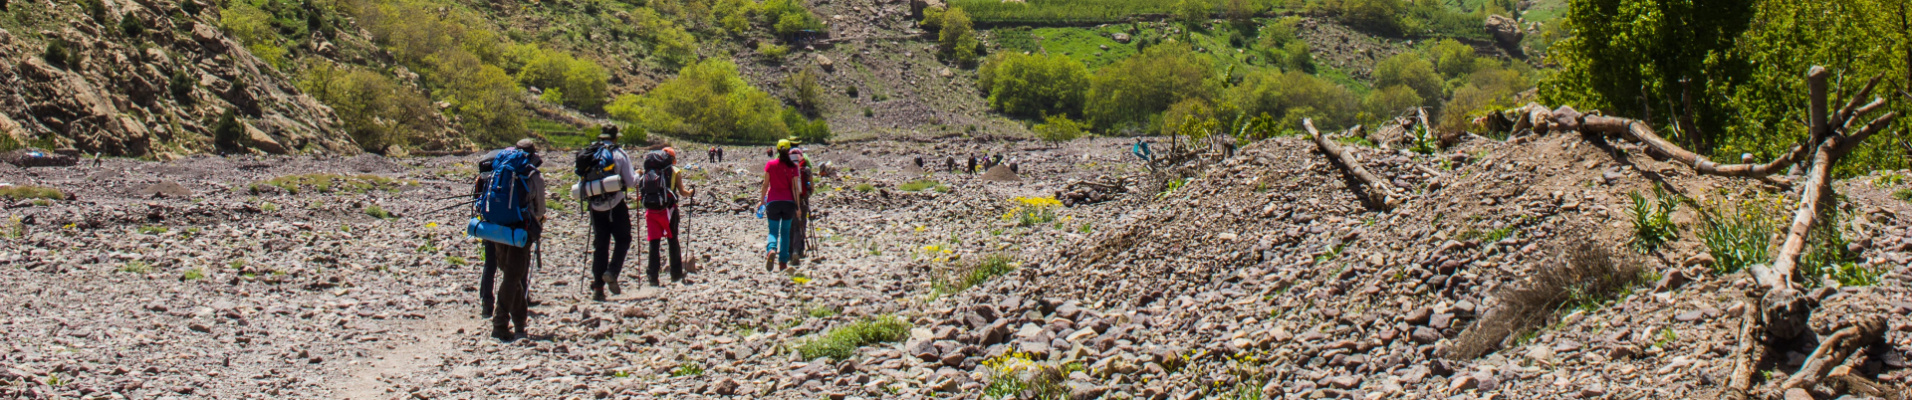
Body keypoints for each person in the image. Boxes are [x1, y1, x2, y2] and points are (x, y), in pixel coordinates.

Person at [489, 139, 547, 342]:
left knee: (511, 276)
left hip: (497, 227)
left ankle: (520, 323)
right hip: (520, 229)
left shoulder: (500, 165)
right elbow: (540, 210)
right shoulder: (532, 174)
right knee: (513, 277)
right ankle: (500, 324)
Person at [586, 126, 637, 301]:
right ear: (615, 138)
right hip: (615, 204)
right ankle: (612, 271)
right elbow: (630, 182)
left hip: (595, 205)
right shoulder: (619, 154)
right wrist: (638, 175)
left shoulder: (590, 153)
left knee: (600, 245)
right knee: (623, 239)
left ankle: (598, 289)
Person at [644, 147, 694, 286]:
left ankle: (653, 277)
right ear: (673, 159)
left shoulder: (649, 170)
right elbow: (682, 192)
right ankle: (676, 274)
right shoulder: (675, 171)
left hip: (651, 211)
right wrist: (691, 192)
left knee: (654, 243)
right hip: (668, 211)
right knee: (672, 240)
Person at [759, 140, 804, 271]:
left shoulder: (770, 164)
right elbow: (795, 188)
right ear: (789, 150)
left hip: (773, 202)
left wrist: (762, 201)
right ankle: (783, 262)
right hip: (788, 203)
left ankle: (771, 249)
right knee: (785, 232)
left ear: (777, 150)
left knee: (773, 230)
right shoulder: (793, 167)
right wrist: (798, 207)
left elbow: (765, 184)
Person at [788, 148, 814, 266]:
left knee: (790, 224)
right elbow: (812, 187)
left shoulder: (786, 169)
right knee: (801, 223)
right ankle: (798, 250)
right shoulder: (806, 169)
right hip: (803, 200)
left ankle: (790, 250)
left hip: (789, 200)